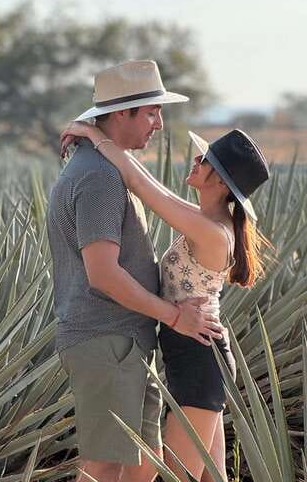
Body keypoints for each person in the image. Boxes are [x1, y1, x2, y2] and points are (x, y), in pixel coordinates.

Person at [59, 118, 270, 482]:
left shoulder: (211, 231)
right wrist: (101, 137)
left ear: (221, 182)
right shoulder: (206, 219)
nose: (196, 160)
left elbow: (142, 186)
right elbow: (150, 184)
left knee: (178, 475)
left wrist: (94, 134)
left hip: (199, 358)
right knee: (211, 476)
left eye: (205, 160)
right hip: (192, 352)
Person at [47, 60, 223, 482]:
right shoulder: (100, 178)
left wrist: (94, 134)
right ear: (122, 113)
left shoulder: (106, 167)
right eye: (151, 112)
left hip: (124, 342)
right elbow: (104, 275)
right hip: (107, 339)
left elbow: (147, 185)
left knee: (143, 465)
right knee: (105, 465)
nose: (159, 124)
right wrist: (175, 317)